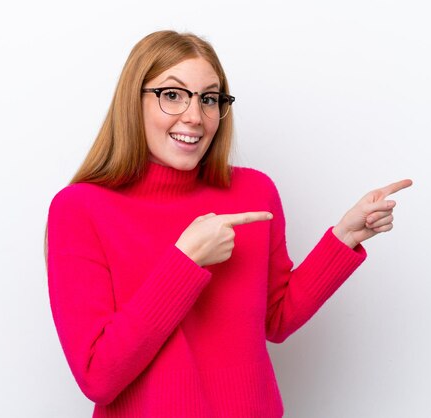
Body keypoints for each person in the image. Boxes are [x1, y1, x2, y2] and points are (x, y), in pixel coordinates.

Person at [45, 30, 412, 418]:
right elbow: (97, 376)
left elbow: (276, 319)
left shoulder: (254, 192)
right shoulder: (80, 208)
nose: (194, 116)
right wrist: (185, 263)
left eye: (209, 98)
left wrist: (344, 238)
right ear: (132, 101)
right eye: (172, 95)